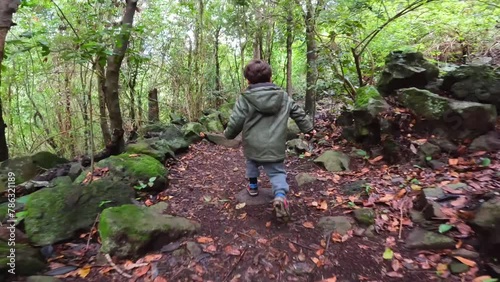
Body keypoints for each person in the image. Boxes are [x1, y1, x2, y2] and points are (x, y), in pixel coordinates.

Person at [223, 59, 314, 222]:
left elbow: (236, 120)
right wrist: (308, 128)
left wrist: (228, 135)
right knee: (277, 171)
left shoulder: (245, 98)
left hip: (252, 143)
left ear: (248, 80)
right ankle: (279, 195)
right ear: (271, 77)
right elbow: (298, 113)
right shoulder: (283, 96)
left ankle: (252, 188)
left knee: (251, 162)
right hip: (275, 144)